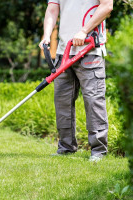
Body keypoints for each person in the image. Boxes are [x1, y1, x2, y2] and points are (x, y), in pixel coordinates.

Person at [39, 0, 113, 161]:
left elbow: (107, 5)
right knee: (62, 100)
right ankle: (66, 147)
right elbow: (52, 10)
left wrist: (84, 31)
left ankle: (99, 150)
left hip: (90, 49)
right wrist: (46, 35)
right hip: (63, 51)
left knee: (93, 99)